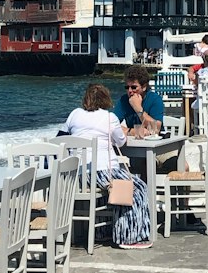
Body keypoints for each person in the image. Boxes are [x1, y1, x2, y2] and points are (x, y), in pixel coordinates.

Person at [63, 83, 153, 248]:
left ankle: (102, 232)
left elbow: (61, 137)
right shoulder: (109, 117)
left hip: (78, 175)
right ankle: (128, 236)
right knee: (136, 187)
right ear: (105, 99)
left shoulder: (74, 114)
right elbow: (121, 141)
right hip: (102, 172)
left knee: (109, 190)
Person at [113, 65, 164, 137]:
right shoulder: (124, 100)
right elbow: (111, 125)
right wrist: (131, 131)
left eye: (134, 87)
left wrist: (138, 109)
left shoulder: (155, 99)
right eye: (127, 87)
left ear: (144, 87)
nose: (130, 91)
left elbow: (155, 129)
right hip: (133, 142)